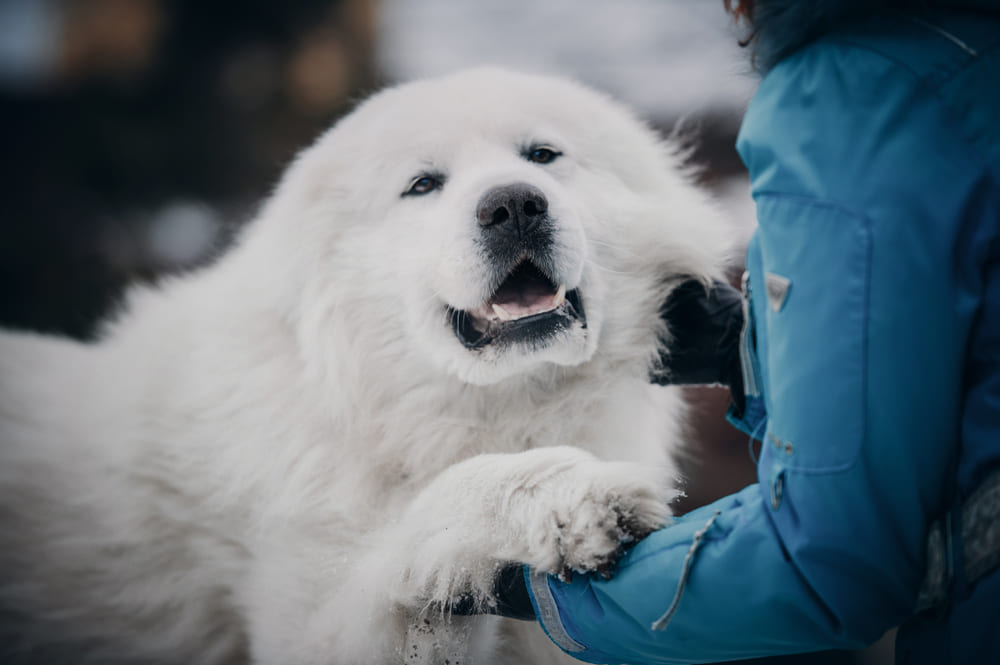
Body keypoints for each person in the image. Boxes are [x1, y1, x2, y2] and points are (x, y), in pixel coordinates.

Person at [474, 1, 1000, 663]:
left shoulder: (855, 92)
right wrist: (748, 349)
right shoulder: (967, 51)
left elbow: (826, 564)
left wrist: (546, 593)